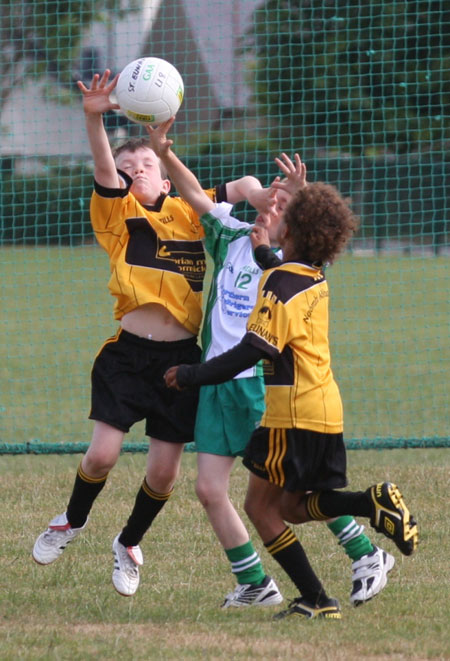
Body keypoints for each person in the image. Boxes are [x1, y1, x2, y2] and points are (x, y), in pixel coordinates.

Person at [31, 69, 275, 598]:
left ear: (166, 179)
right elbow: (101, 163)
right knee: (102, 456)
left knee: (164, 474)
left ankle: (129, 542)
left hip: (182, 360)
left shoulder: (190, 211)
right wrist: (94, 117)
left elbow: (245, 186)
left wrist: (259, 193)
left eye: (146, 165)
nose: (136, 172)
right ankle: (71, 521)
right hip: (128, 356)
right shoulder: (117, 214)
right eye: (128, 168)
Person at [149, 119, 401, 611]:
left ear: (296, 224)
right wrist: (163, 153)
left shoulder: (297, 265)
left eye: (289, 205)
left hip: (262, 387)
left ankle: (364, 552)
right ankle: (257, 584)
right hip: (219, 386)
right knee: (208, 488)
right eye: (275, 197)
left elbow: (311, 241)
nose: (277, 204)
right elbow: (196, 197)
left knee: (295, 489)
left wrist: (303, 194)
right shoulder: (231, 236)